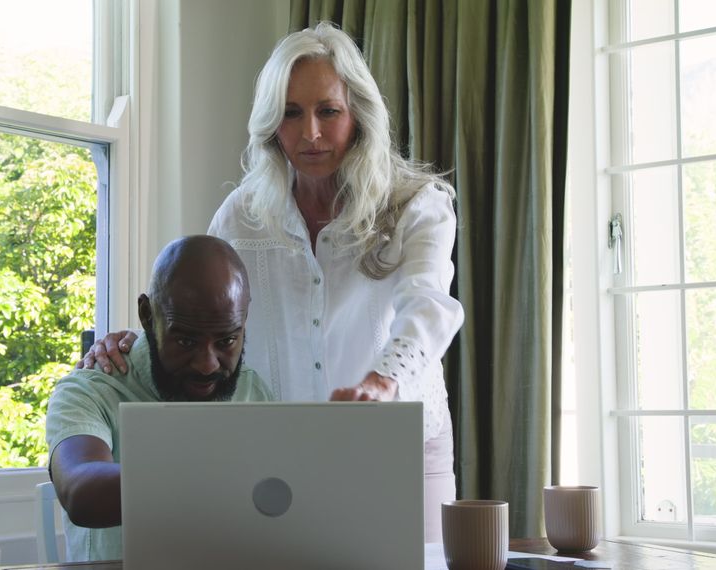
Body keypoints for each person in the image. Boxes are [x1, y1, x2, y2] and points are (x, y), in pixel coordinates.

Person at [80, 22, 464, 541]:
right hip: (283, 452)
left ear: (358, 114)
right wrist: (132, 340)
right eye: (290, 112)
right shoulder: (242, 214)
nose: (310, 133)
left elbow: (429, 307)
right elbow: (200, 307)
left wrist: (382, 383)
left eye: (328, 111)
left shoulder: (416, 204)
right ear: (270, 123)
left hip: (403, 442)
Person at [47, 235, 273, 562]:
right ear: (147, 316)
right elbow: (79, 490)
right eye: (185, 341)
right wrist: (211, 473)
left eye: (226, 340)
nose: (207, 363)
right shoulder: (91, 390)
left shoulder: (253, 391)